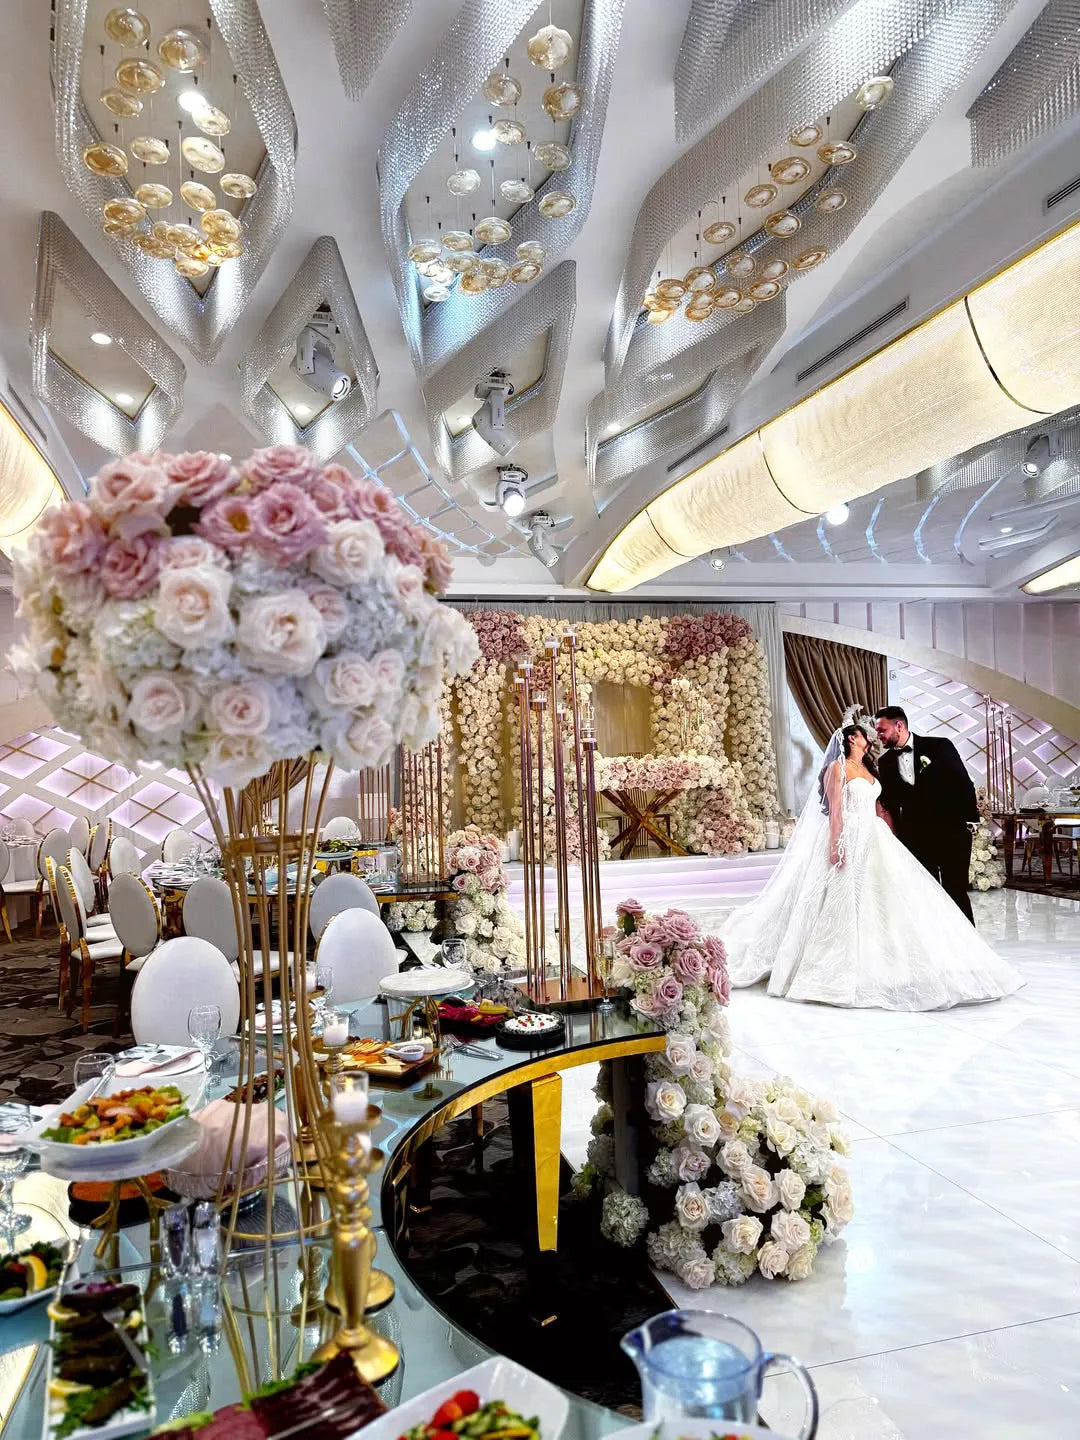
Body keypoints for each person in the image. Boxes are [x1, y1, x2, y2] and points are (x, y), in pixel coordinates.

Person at [722, 718, 1022, 1009]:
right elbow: (836, 811)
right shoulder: (838, 768)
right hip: (850, 835)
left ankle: (899, 956)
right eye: (867, 734)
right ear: (852, 739)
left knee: (888, 896)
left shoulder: (869, 768)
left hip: (874, 834)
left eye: (877, 731)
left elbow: (882, 805)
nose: (872, 737)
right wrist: (836, 844)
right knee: (846, 899)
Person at [873, 705, 979, 923]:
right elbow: (891, 803)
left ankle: (968, 948)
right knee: (925, 893)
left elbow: (963, 784)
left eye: (882, 730)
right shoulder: (885, 763)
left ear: (899, 725)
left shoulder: (939, 746)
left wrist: (965, 822)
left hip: (952, 834)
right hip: (916, 839)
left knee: (956, 891)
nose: (878, 736)